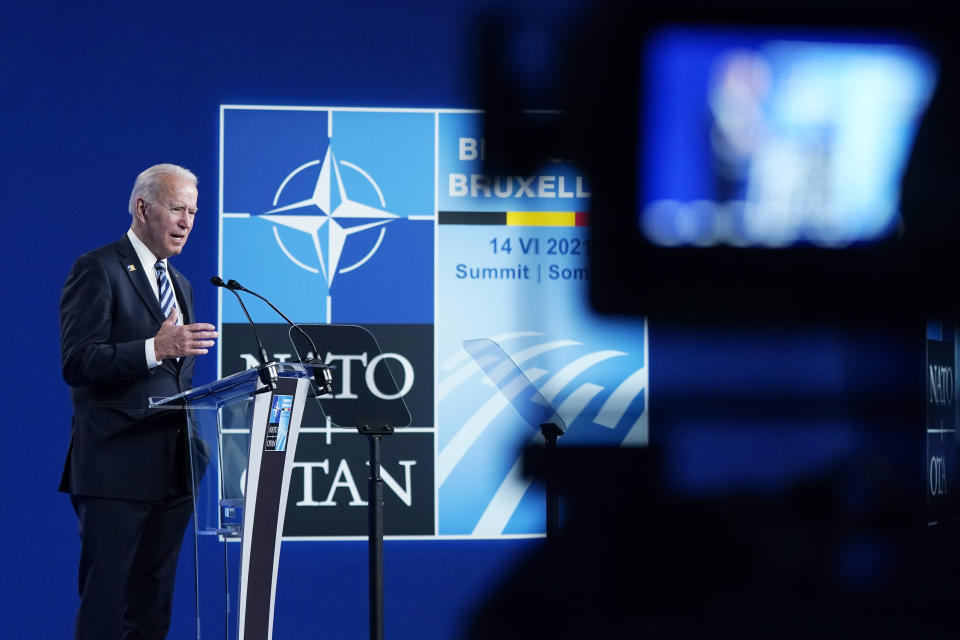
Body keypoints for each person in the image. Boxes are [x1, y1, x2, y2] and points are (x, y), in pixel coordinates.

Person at [59, 163, 218, 640]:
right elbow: (78, 362)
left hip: (173, 471)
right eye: (177, 209)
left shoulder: (182, 284)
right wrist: (155, 348)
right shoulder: (98, 269)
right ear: (143, 207)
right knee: (107, 606)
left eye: (193, 211)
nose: (187, 221)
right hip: (115, 469)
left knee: (153, 607)